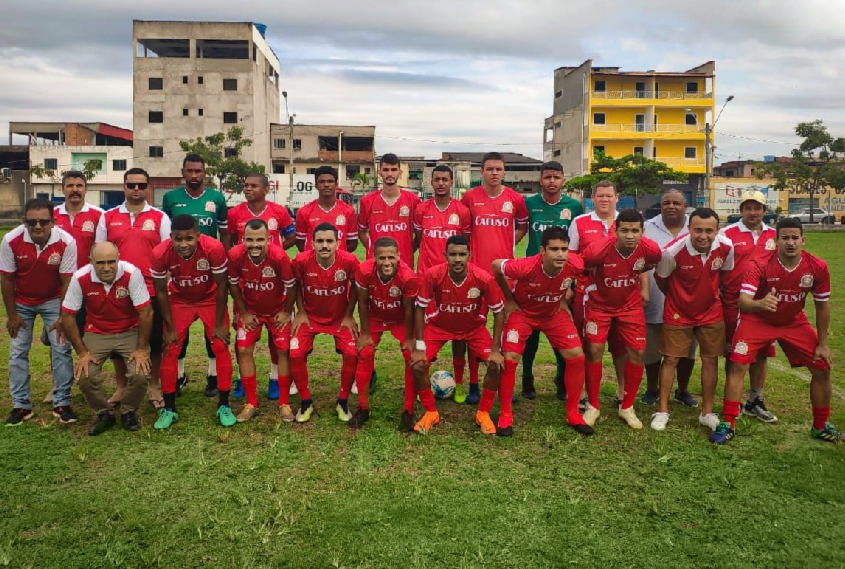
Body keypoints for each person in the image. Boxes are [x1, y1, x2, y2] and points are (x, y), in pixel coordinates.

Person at [712, 218, 838, 444]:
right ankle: (728, 422)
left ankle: (820, 426)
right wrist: (760, 304)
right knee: (738, 363)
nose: (790, 242)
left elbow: (822, 306)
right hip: (757, 319)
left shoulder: (817, 266)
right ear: (776, 241)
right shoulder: (759, 263)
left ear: (803, 240)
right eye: (785, 238)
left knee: (822, 367)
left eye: (795, 238)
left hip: (793, 321)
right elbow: (743, 302)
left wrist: (823, 344)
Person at [489, 227, 590, 436]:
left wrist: (563, 297)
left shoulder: (575, 263)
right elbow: (496, 266)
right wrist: (509, 299)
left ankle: (572, 413)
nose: (560, 254)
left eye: (564, 249)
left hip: (554, 313)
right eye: (554, 249)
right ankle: (506, 415)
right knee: (510, 358)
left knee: (577, 357)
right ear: (542, 250)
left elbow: (577, 278)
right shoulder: (525, 266)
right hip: (523, 313)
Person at [651, 208, 734, 432]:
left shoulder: (727, 247)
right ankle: (662, 411)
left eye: (709, 230)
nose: (703, 235)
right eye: (698, 230)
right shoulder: (671, 252)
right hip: (678, 311)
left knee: (710, 360)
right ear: (689, 229)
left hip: (711, 311)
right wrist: (679, 299)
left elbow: (723, 276)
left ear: (718, 230)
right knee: (670, 359)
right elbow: (661, 281)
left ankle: (707, 412)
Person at [413, 235, 506, 434]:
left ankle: (483, 413)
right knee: (418, 364)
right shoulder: (433, 275)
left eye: (462, 254)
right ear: (445, 255)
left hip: (473, 329)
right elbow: (419, 308)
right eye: (453, 254)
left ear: (469, 255)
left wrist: (496, 349)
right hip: (440, 327)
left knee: (496, 365)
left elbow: (499, 311)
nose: (457, 259)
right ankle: (430, 412)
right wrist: (419, 347)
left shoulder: (483, 278)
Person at [580, 209, 662, 430]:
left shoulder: (651, 250)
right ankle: (593, 405)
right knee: (594, 349)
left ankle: (627, 406)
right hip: (599, 305)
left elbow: (647, 265)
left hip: (630, 306)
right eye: (624, 230)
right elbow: (581, 267)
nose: (629, 235)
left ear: (642, 232)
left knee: (637, 352)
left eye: (635, 230)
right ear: (615, 231)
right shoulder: (598, 250)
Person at [150, 215, 234, 429]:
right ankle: (169, 409)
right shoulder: (160, 252)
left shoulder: (213, 248)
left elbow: (222, 286)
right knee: (170, 348)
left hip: (210, 298)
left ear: (198, 236)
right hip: (179, 300)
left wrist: (218, 324)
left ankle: (224, 405)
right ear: (171, 238)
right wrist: (169, 327)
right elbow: (160, 292)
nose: (184, 244)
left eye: (189, 238)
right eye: (178, 239)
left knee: (220, 345)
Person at [96, 168, 170, 409]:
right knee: (119, 338)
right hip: (119, 290)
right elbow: (99, 253)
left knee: (154, 340)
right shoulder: (108, 217)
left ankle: (153, 385)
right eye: (131, 185)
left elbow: (168, 254)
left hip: (151, 288)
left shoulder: (160, 217)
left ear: (147, 187)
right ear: (124, 187)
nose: (136, 189)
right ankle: (122, 386)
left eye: (141, 185)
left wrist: (164, 286)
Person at [60, 243, 152, 435]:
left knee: (140, 373)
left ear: (118, 259)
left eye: (112, 261)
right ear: (91, 261)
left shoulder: (131, 273)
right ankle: (104, 413)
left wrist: (142, 349)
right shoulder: (80, 277)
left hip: (129, 330)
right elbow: (67, 316)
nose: (107, 267)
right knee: (86, 375)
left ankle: (128, 411)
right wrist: (82, 353)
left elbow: (145, 313)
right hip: (97, 332)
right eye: (100, 263)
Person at [460, 152, 528, 403]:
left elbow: (522, 226)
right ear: (481, 172)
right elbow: (464, 230)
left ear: (504, 171)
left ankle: (503, 380)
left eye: (498, 169)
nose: (494, 173)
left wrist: (509, 249)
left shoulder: (515, 199)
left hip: (504, 275)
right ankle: (474, 383)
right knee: (474, 327)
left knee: (507, 327)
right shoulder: (470, 197)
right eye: (489, 169)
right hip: (476, 273)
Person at [1, 199, 77, 425]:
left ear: (53, 222)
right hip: (21, 302)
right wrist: (12, 315)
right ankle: (21, 406)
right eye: (32, 222)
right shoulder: (10, 240)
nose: (37, 226)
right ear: (24, 221)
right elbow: (6, 279)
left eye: (43, 221)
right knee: (17, 353)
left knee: (62, 348)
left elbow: (67, 281)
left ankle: (62, 403)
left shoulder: (66, 241)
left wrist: (65, 316)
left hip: (53, 300)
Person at [161, 154, 231, 398]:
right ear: (183, 172)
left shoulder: (217, 198)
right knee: (180, 329)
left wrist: (225, 260)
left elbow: (225, 234)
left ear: (204, 172)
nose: (193, 175)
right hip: (180, 272)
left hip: (209, 269)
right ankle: (179, 375)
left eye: (198, 171)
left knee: (213, 329)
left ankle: (213, 376)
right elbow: (166, 234)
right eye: (189, 171)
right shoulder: (170, 198)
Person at [228, 172, 296, 402]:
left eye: (253, 185)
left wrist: (274, 254)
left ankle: (275, 380)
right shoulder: (234, 213)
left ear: (266, 189)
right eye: (245, 185)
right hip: (248, 285)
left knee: (278, 342)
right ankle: (242, 379)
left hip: (273, 280)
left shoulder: (279, 212)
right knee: (243, 343)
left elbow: (292, 236)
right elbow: (228, 241)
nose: (248, 189)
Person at [521, 160, 583, 400]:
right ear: (540, 180)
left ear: (563, 180)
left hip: (562, 278)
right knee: (530, 333)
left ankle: (561, 377)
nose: (552, 181)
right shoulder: (529, 204)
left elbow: (575, 245)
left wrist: (571, 284)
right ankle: (527, 377)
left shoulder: (573, 207)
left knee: (561, 330)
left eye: (556, 177)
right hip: (532, 275)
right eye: (547, 177)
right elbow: (519, 230)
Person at [42, 170, 104, 404]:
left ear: (86, 188)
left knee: (90, 335)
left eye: (79, 185)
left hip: (88, 288)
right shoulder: (51, 215)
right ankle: (58, 385)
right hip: (57, 290)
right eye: (70, 185)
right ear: (63, 189)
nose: (75, 189)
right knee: (58, 338)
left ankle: (92, 380)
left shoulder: (98, 216)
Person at [412, 165, 472, 402]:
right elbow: (419, 239)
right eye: (436, 179)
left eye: (445, 179)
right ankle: (425, 383)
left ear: (452, 182)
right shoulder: (421, 209)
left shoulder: (462, 211)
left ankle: (459, 381)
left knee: (459, 333)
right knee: (428, 332)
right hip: (428, 279)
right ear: (431, 182)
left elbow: (463, 244)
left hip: (455, 280)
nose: (440, 183)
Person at [289, 223, 359, 423]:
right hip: (309, 318)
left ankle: (343, 401)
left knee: (352, 352)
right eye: (320, 241)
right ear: (312, 243)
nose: (325, 245)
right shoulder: (301, 261)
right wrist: (300, 312)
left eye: (330, 241)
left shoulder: (349, 260)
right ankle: (305, 401)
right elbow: (294, 284)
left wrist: (348, 315)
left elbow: (356, 286)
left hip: (339, 318)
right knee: (295, 352)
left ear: (338, 243)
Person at [719, 189, 778, 423]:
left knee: (762, 354)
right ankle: (731, 399)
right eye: (748, 208)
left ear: (764, 211)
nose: (753, 212)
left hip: (764, 304)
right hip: (734, 302)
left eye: (757, 208)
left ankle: (755, 400)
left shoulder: (775, 235)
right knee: (734, 354)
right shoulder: (727, 234)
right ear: (741, 210)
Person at [568, 180, 629, 407]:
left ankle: (622, 391)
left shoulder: (627, 222)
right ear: (592, 199)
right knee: (589, 344)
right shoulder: (580, 222)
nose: (604, 199)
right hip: (588, 294)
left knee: (620, 345)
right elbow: (571, 256)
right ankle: (584, 390)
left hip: (621, 294)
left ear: (616, 198)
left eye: (608, 195)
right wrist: (569, 286)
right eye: (600, 196)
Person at [352, 237, 418, 429]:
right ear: (374, 258)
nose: (386, 262)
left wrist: (408, 339)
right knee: (364, 352)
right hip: (375, 316)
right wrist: (365, 333)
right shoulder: (364, 271)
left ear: (399, 256)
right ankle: (363, 408)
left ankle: (409, 410)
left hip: (399, 318)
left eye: (391, 257)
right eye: (381, 258)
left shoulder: (409, 277)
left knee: (410, 355)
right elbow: (362, 303)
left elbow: (409, 310)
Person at [641, 190, 696, 406]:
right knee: (652, 350)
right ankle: (652, 389)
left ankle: (683, 390)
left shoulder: (695, 228)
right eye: (666, 203)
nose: (671, 206)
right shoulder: (647, 228)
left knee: (687, 351)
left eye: (676, 203)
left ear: (685, 206)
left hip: (687, 303)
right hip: (655, 299)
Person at [358, 153, 421, 266]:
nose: (390, 174)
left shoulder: (413, 200)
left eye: (394, 169)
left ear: (400, 172)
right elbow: (361, 231)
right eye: (386, 170)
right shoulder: (367, 201)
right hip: (377, 263)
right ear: (379, 172)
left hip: (404, 263)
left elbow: (419, 234)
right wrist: (372, 249)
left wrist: (409, 250)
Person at [295, 166, 358, 253]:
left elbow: (352, 243)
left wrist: (334, 256)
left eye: (330, 181)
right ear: (316, 185)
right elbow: (300, 243)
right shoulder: (304, 212)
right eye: (322, 181)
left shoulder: (348, 211)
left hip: (339, 264)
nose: (326, 185)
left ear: (336, 184)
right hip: (312, 264)